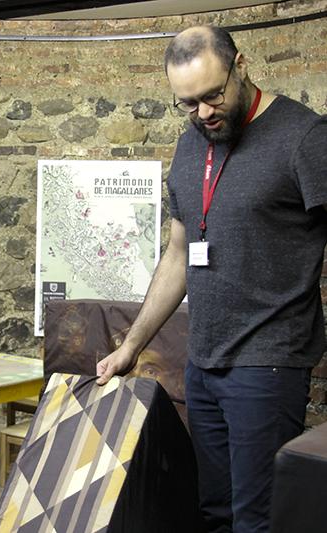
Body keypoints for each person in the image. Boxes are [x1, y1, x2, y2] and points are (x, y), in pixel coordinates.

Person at [95, 26, 327, 533]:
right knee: (215, 512)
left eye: (213, 95)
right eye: (188, 103)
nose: (204, 113)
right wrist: (132, 345)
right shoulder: (190, 145)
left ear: (240, 65)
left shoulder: (305, 137)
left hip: (267, 363)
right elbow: (179, 253)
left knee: (258, 520)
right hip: (203, 361)